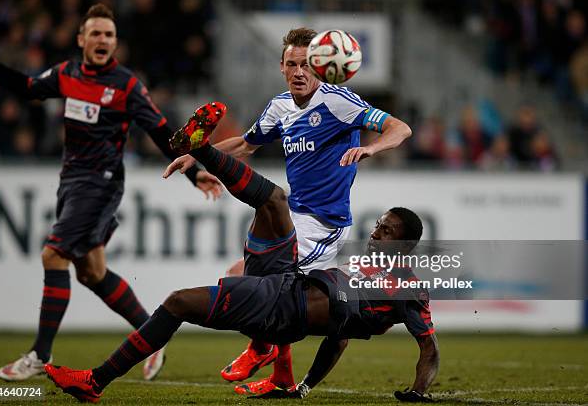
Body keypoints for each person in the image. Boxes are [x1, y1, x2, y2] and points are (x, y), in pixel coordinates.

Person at [45, 110, 439, 404]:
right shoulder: (364, 273)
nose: (375, 232)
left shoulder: (408, 291)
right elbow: (338, 340)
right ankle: (272, 362)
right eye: (378, 225)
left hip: (284, 308)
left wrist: (419, 391)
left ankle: (94, 382)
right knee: (272, 204)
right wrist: (303, 387)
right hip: (288, 288)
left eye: (385, 231)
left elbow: (429, 350)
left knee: (180, 301)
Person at [0, 4, 222, 382]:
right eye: (96, 33)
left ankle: (40, 354)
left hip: (102, 182)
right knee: (92, 272)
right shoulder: (67, 73)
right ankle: (151, 336)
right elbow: (27, 89)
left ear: (116, 42)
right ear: (82, 40)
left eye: (109, 34)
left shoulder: (126, 85)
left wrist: (195, 174)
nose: (103, 40)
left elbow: (159, 131)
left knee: (53, 254)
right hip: (71, 181)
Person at [164, 27, 412, 386]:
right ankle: (279, 371)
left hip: (325, 225)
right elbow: (247, 145)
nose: (299, 72)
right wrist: (197, 156)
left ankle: (263, 348)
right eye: (292, 65)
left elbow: (400, 128)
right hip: (292, 216)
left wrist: (371, 148)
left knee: (249, 282)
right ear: (281, 67)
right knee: (262, 286)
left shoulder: (338, 102)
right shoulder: (279, 107)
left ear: (320, 67)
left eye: (306, 65)